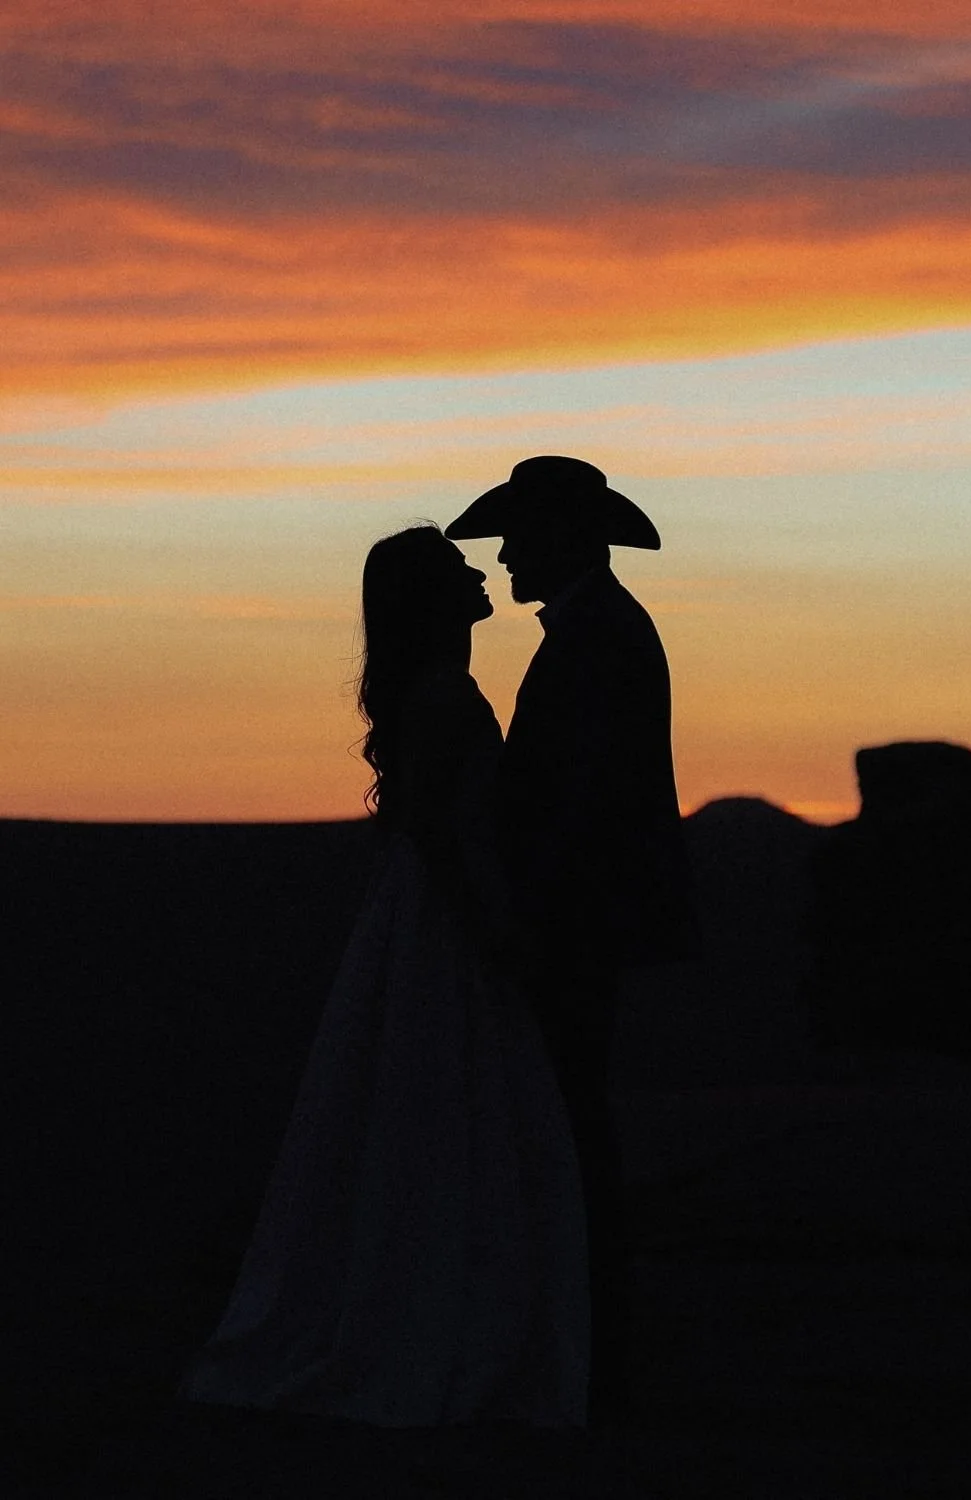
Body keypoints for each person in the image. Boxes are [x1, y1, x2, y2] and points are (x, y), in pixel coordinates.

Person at [177, 524, 589, 1429]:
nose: (480, 571)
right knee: (447, 1112)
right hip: (447, 919)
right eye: (455, 568)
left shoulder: (436, 690)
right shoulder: (446, 696)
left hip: (422, 916)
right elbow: (454, 837)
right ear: (429, 598)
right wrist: (498, 930)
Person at [447, 456, 700, 1422]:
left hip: (574, 924)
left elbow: (581, 801)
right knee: (567, 1119)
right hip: (582, 919)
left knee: (569, 1124)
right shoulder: (599, 631)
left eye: (518, 536)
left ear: (561, 537)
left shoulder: (597, 638)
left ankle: (591, 1347)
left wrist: (526, 912)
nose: (506, 555)